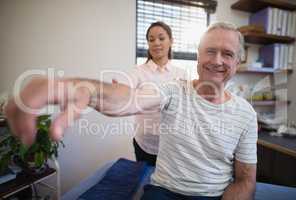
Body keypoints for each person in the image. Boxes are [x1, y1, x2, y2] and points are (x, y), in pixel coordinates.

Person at [5, 22, 257, 200]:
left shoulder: (245, 114)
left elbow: (245, 179)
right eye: (210, 51)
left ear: (238, 61)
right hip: (161, 182)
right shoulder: (172, 89)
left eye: (227, 54)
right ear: (198, 55)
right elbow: (128, 98)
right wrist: (86, 89)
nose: (217, 60)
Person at [116, 21, 186, 166]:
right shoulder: (138, 72)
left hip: (172, 144)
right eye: (151, 39)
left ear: (171, 41)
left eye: (161, 38)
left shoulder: (181, 73)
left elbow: (185, 106)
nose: (156, 43)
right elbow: (125, 89)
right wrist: (119, 93)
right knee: (146, 183)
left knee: (167, 186)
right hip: (144, 145)